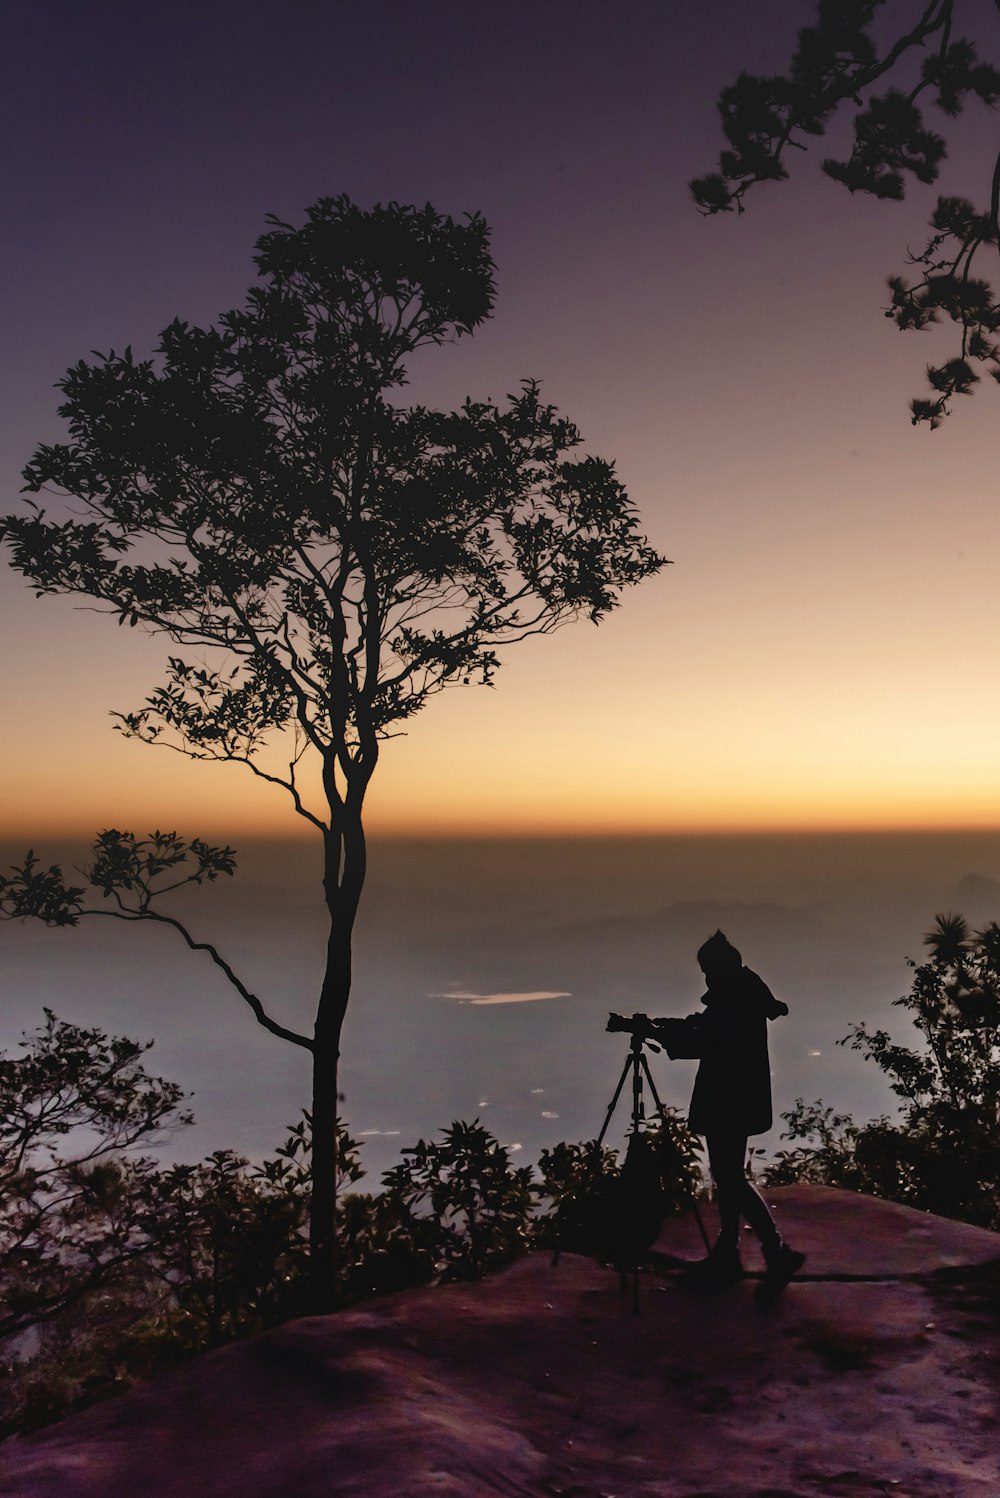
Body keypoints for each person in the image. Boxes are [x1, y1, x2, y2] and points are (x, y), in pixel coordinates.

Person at [651, 930, 805, 1300]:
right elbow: (705, 1026)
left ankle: (774, 1251)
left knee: (729, 1177)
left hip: (728, 1098)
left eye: (707, 971)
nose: (705, 978)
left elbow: (707, 1039)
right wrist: (666, 1027)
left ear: (718, 969)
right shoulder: (741, 992)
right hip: (738, 1097)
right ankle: (729, 1251)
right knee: (727, 1174)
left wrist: (661, 1034)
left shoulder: (734, 998)